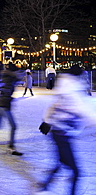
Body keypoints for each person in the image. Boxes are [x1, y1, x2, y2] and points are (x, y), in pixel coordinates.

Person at [38, 64, 96, 195]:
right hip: (63, 133)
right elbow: (86, 111)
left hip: (58, 131)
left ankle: (44, 186)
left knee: (61, 162)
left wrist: (46, 120)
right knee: (76, 171)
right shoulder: (74, 92)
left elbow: (54, 105)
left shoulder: (65, 87)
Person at [0, 63, 23, 156]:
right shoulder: (9, 79)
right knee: (13, 126)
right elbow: (6, 91)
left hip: (1, 104)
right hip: (4, 105)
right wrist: (8, 99)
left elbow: (17, 79)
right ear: (13, 72)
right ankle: (11, 147)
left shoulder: (7, 78)